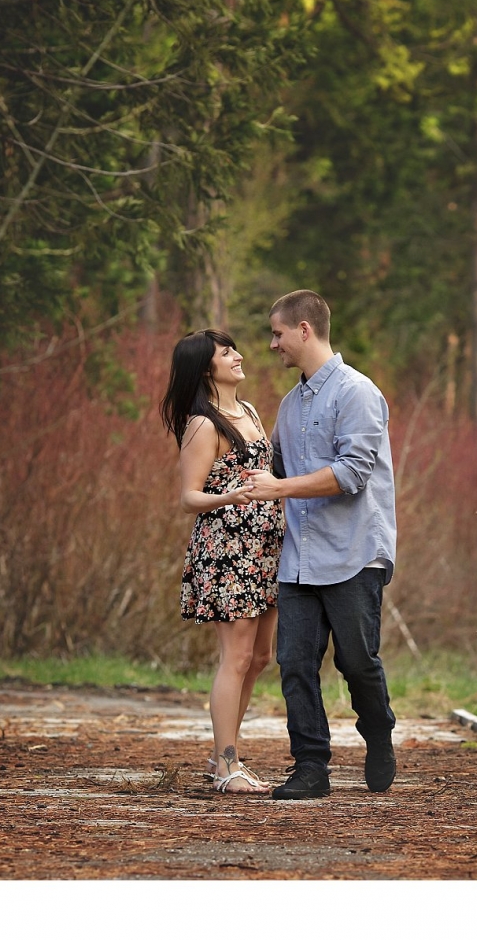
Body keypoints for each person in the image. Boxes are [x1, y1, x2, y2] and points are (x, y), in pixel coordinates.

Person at [244, 290, 397, 799]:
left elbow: (352, 474)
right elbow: (273, 469)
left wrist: (280, 488)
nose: (273, 345)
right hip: (300, 558)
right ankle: (311, 766)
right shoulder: (289, 406)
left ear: (304, 330)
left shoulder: (358, 393)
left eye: (278, 334)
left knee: (357, 663)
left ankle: (378, 731)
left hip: (354, 553)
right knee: (294, 664)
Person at [160, 329, 284, 795]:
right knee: (236, 657)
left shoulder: (248, 411)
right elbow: (188, 497)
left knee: (260, 657)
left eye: (233, 349)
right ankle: (228, 765)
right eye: (226, 353)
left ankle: (221, 756)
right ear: (205, 369)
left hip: (265, 548)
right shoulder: (202, 424)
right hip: (228, 551)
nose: (238, 356)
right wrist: (228, 496)